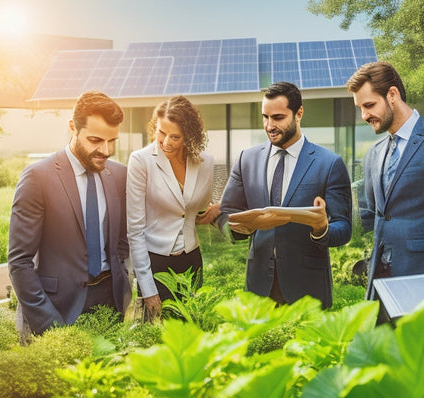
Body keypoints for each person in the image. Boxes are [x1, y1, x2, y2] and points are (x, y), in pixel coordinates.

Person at [8, 91, 131, 338]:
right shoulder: (37, 177)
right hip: (57, 309)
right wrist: (50, 326)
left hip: (110, 305)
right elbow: (20, 262)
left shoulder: (120, 175)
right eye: (95, 140)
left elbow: (121, 242)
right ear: (73, 127)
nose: (106, 151)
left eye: (112, 140)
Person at [219, 81, 352, 308]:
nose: (269, 125)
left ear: (299, 113)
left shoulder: (329, 164)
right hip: (259, 288)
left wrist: (322, 228)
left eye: (278, 118)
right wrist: (239, 227)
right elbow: (226, 212)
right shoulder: (246, 159)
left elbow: (344, 228)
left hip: (307, 289)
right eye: (265, 117)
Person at [127, 95, 220, 320]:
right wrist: (148, 289)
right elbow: (135, 230)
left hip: (191, 260)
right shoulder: (140, 161)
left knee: (190, 332)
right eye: (161, 132)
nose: (166, 141)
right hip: (155, 262)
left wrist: (211, 211)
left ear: (189, 135)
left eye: (175, 136)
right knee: (156, 337)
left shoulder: (205, 163)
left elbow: (196, 209)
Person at [346, 61, 424, 299]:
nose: (364, 115)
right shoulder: (373, 153)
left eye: (369, 105)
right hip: (379, 280)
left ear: (392, 94)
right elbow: (374, 213)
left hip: (418, 278)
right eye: (360, 108)